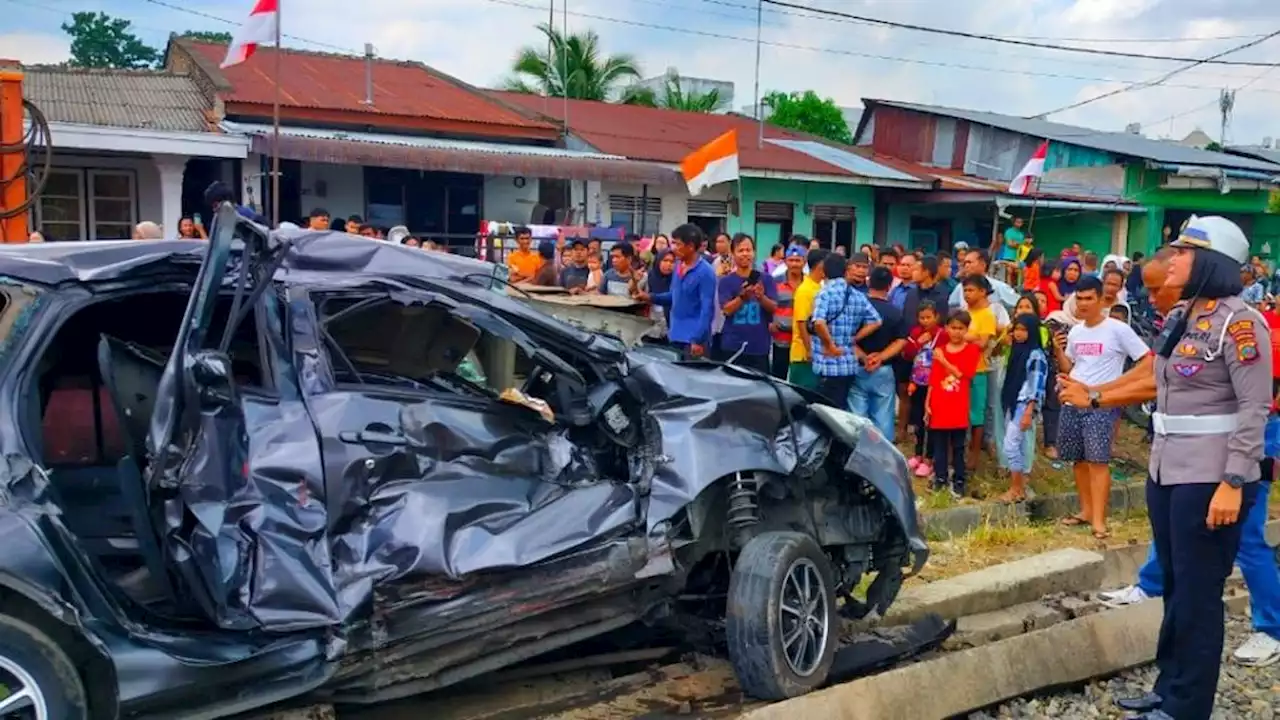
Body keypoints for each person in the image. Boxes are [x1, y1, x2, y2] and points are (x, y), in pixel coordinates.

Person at [1061, 215, 1271, 720]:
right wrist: (1095, 395)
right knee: (1176, 583)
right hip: (1167, 470)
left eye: (1183, 252)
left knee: (1199, 595)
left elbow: (1253, 409)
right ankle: (1168, 686)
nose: (1172, 258)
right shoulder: (1184, 315)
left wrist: (1234, 483)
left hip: (1211, 476)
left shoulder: (1241, 324)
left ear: (1212, 262)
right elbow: (1155, 376)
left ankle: (1187, 706)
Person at [1052, 274, 1151, 540]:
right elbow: (1071, 366)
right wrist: (1059, 353)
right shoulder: (1076, 331)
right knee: (1079, 460)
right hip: (1074, 399)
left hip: (1101, 403)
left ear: (1100, 299)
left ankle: (1099, 519)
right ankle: (1085, 511)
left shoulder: (1117, 329)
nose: (1083, 304)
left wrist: (1118, 387)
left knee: (1098, 461)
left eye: (1088, 298)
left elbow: (1146, 360)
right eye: (1079, 299)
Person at [809, 253, 882, 407]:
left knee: (826, 412)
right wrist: (854, 338)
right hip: (848, 364)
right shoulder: (857, 296)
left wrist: (830, 345)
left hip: (828, 365)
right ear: (845, 270)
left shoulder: (824, 293)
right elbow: (876, 321)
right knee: (841, 408)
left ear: (823, 271)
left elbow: (818, 322)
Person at [637, 224, 716, 360]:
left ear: (690, 246)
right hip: (675, 335)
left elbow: (707, 309)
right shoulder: (679, 266)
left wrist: (698, 340)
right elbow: (675, 296)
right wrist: (649, 297)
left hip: (693, 341)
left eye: (677, 244)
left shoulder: (706, 272)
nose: (673, 248)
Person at [926, 310, 982, 497]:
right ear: (947, 328)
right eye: (953, 327)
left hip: (958, 404)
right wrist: (928, 403)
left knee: (958, 445)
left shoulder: (972, 350)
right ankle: (940, 477)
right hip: (939, 402)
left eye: (961, 328)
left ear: (966, 330)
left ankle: (959, 479)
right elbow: (933, 380)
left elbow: (962, 374)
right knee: (939, 444)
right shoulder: (940, 350)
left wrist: (944, 361)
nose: (956, 332)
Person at [851, 266, 908, 440]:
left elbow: (846, 338)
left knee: (856, 415)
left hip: (858, 366)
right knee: (883, 415)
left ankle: (856, 451)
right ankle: (882, 456)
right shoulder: (896, 312)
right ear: (889, 286)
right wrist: (881, 357)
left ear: (868, 282)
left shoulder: (856, 308)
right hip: (883, 369)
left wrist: (863, 356)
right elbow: (901, 340)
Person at [999, 313, 1048, 503]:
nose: (1018, 334)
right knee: (1012, 444)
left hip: (1023, 405)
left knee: (1011, 445)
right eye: (1016, 329)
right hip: (1014, 402)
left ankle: (1017, 488)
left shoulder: (1036, 354)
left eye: (1023, 330)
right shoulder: (1017, 351)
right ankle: (1018, 487)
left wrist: (1029, 411)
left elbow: (1036, 386)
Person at [717, 233, 778, 372]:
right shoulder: (726, 281)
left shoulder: (767, 279)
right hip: (732, 345)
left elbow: (774, 308)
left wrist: (761, 297)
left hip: (759, 346)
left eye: (748, 250)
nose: (745, 254)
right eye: (740, 250)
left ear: (754, 252)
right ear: (732, 253)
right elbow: (726, 310)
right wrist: (742, 298)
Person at [906, 301, 942, 478]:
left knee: (932, 421)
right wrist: (917, 343)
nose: (925, 321)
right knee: (918, 420)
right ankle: (918, 454)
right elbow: (907, 355)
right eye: (922, 318)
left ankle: (930, 458)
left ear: (937, 317)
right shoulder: (915, 333)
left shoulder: (942, 335)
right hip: (918, 383)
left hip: (934, 385)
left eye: (929, 317)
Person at [788, 249, 827, 390]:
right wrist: (809, 350)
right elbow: (801, 322)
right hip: (803, 356)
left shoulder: (818, 287)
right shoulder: (805, 290)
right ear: (820, 266)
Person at [771, 246, 807, 379]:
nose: (794, 264)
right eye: (791, 260)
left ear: (804, 262)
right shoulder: (775, 281)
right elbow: (769, 304)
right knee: (778, 377)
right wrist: (771, 322)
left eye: (798, 261)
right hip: (781, 338)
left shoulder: (809, 283)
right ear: (785, 262)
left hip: (802, 340)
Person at [639, 251, 675, 341]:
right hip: (648, 328)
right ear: (658, 261)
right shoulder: (647, 276)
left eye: (672, 262)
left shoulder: (677, 280)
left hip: (670, 330)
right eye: (665, 260)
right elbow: (634, 292)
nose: (669, 264)